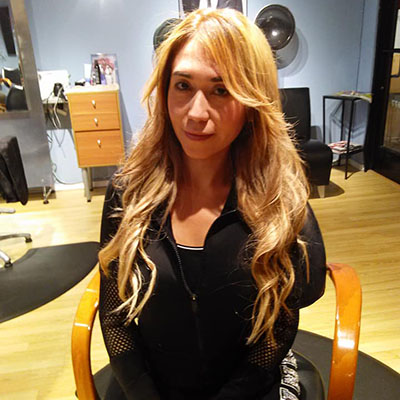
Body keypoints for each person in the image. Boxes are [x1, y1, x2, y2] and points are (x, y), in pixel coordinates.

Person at [98, 7, 326, 400]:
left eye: (221, 90)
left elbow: (279, 328)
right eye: (183, 85)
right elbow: (114, 315)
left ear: (252, 102)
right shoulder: (128, 192)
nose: (196, 113)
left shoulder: (279, 201)